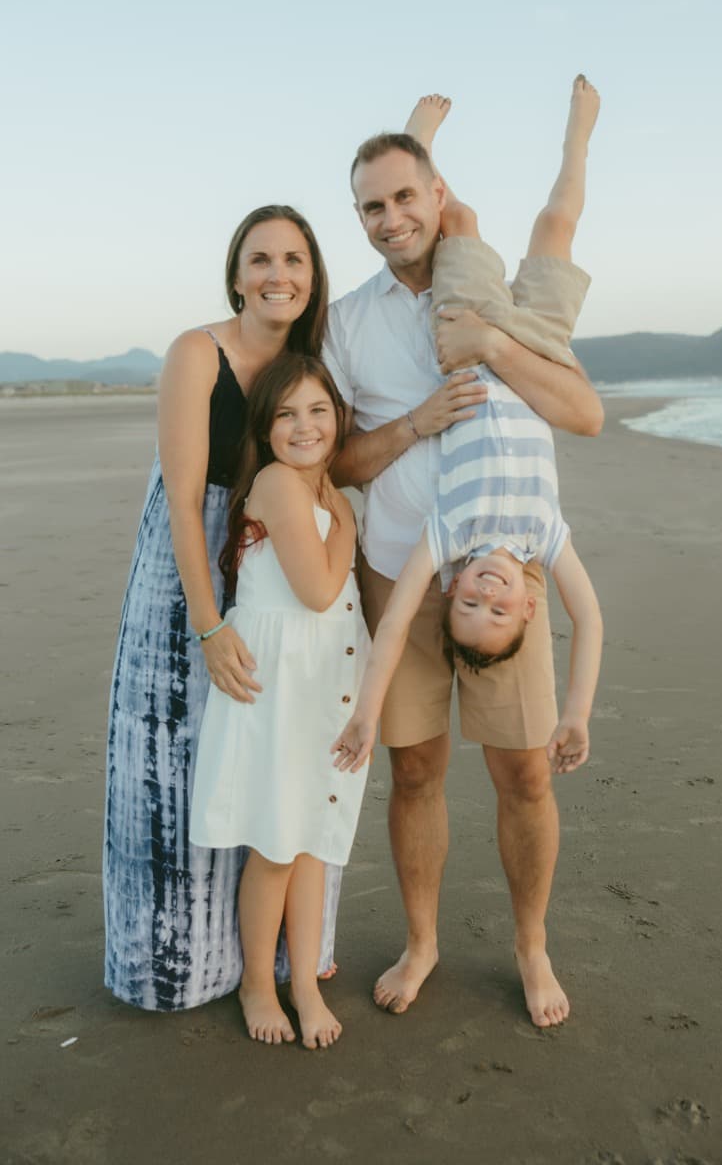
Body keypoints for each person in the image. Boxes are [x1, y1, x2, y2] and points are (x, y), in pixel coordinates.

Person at [325, 78, 604, 1028]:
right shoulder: (349, 322)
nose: (391, 217)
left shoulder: (479, 285)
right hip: (400, 564)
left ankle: (531, 947)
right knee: (415, 772)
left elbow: (585, 413)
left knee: (524, 774)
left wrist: (487, 340)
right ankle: (423, 939)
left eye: (409, 195)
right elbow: (339, 458)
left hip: (503, 576)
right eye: (373, 205)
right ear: (357, 217)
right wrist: (411, 424)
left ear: (437, 195)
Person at [104, 206, 343, 1012]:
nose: (280, 274)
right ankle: (178, 962)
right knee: (181, 756)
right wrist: (207, 625)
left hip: (274, 567)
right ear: (236, 273)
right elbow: (180, 506)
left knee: (270, 755)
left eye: (295, 260)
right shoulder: (195, 353)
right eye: (261, 258)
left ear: (313, 277)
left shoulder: (311, 361)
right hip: (189, 571)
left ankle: (282, 962)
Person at [190, 354, 370, 1048]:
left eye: (318, 411)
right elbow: (319, 592)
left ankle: (302, 983)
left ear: (338, 418)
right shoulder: (281, 486)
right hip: (279, 687)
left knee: (311, 842)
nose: (304, 426)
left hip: (318, 681)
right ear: (265, 430)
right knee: (275, 843)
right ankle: (258, 984)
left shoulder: (320, 494)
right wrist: (348, 524)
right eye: (286, 414)